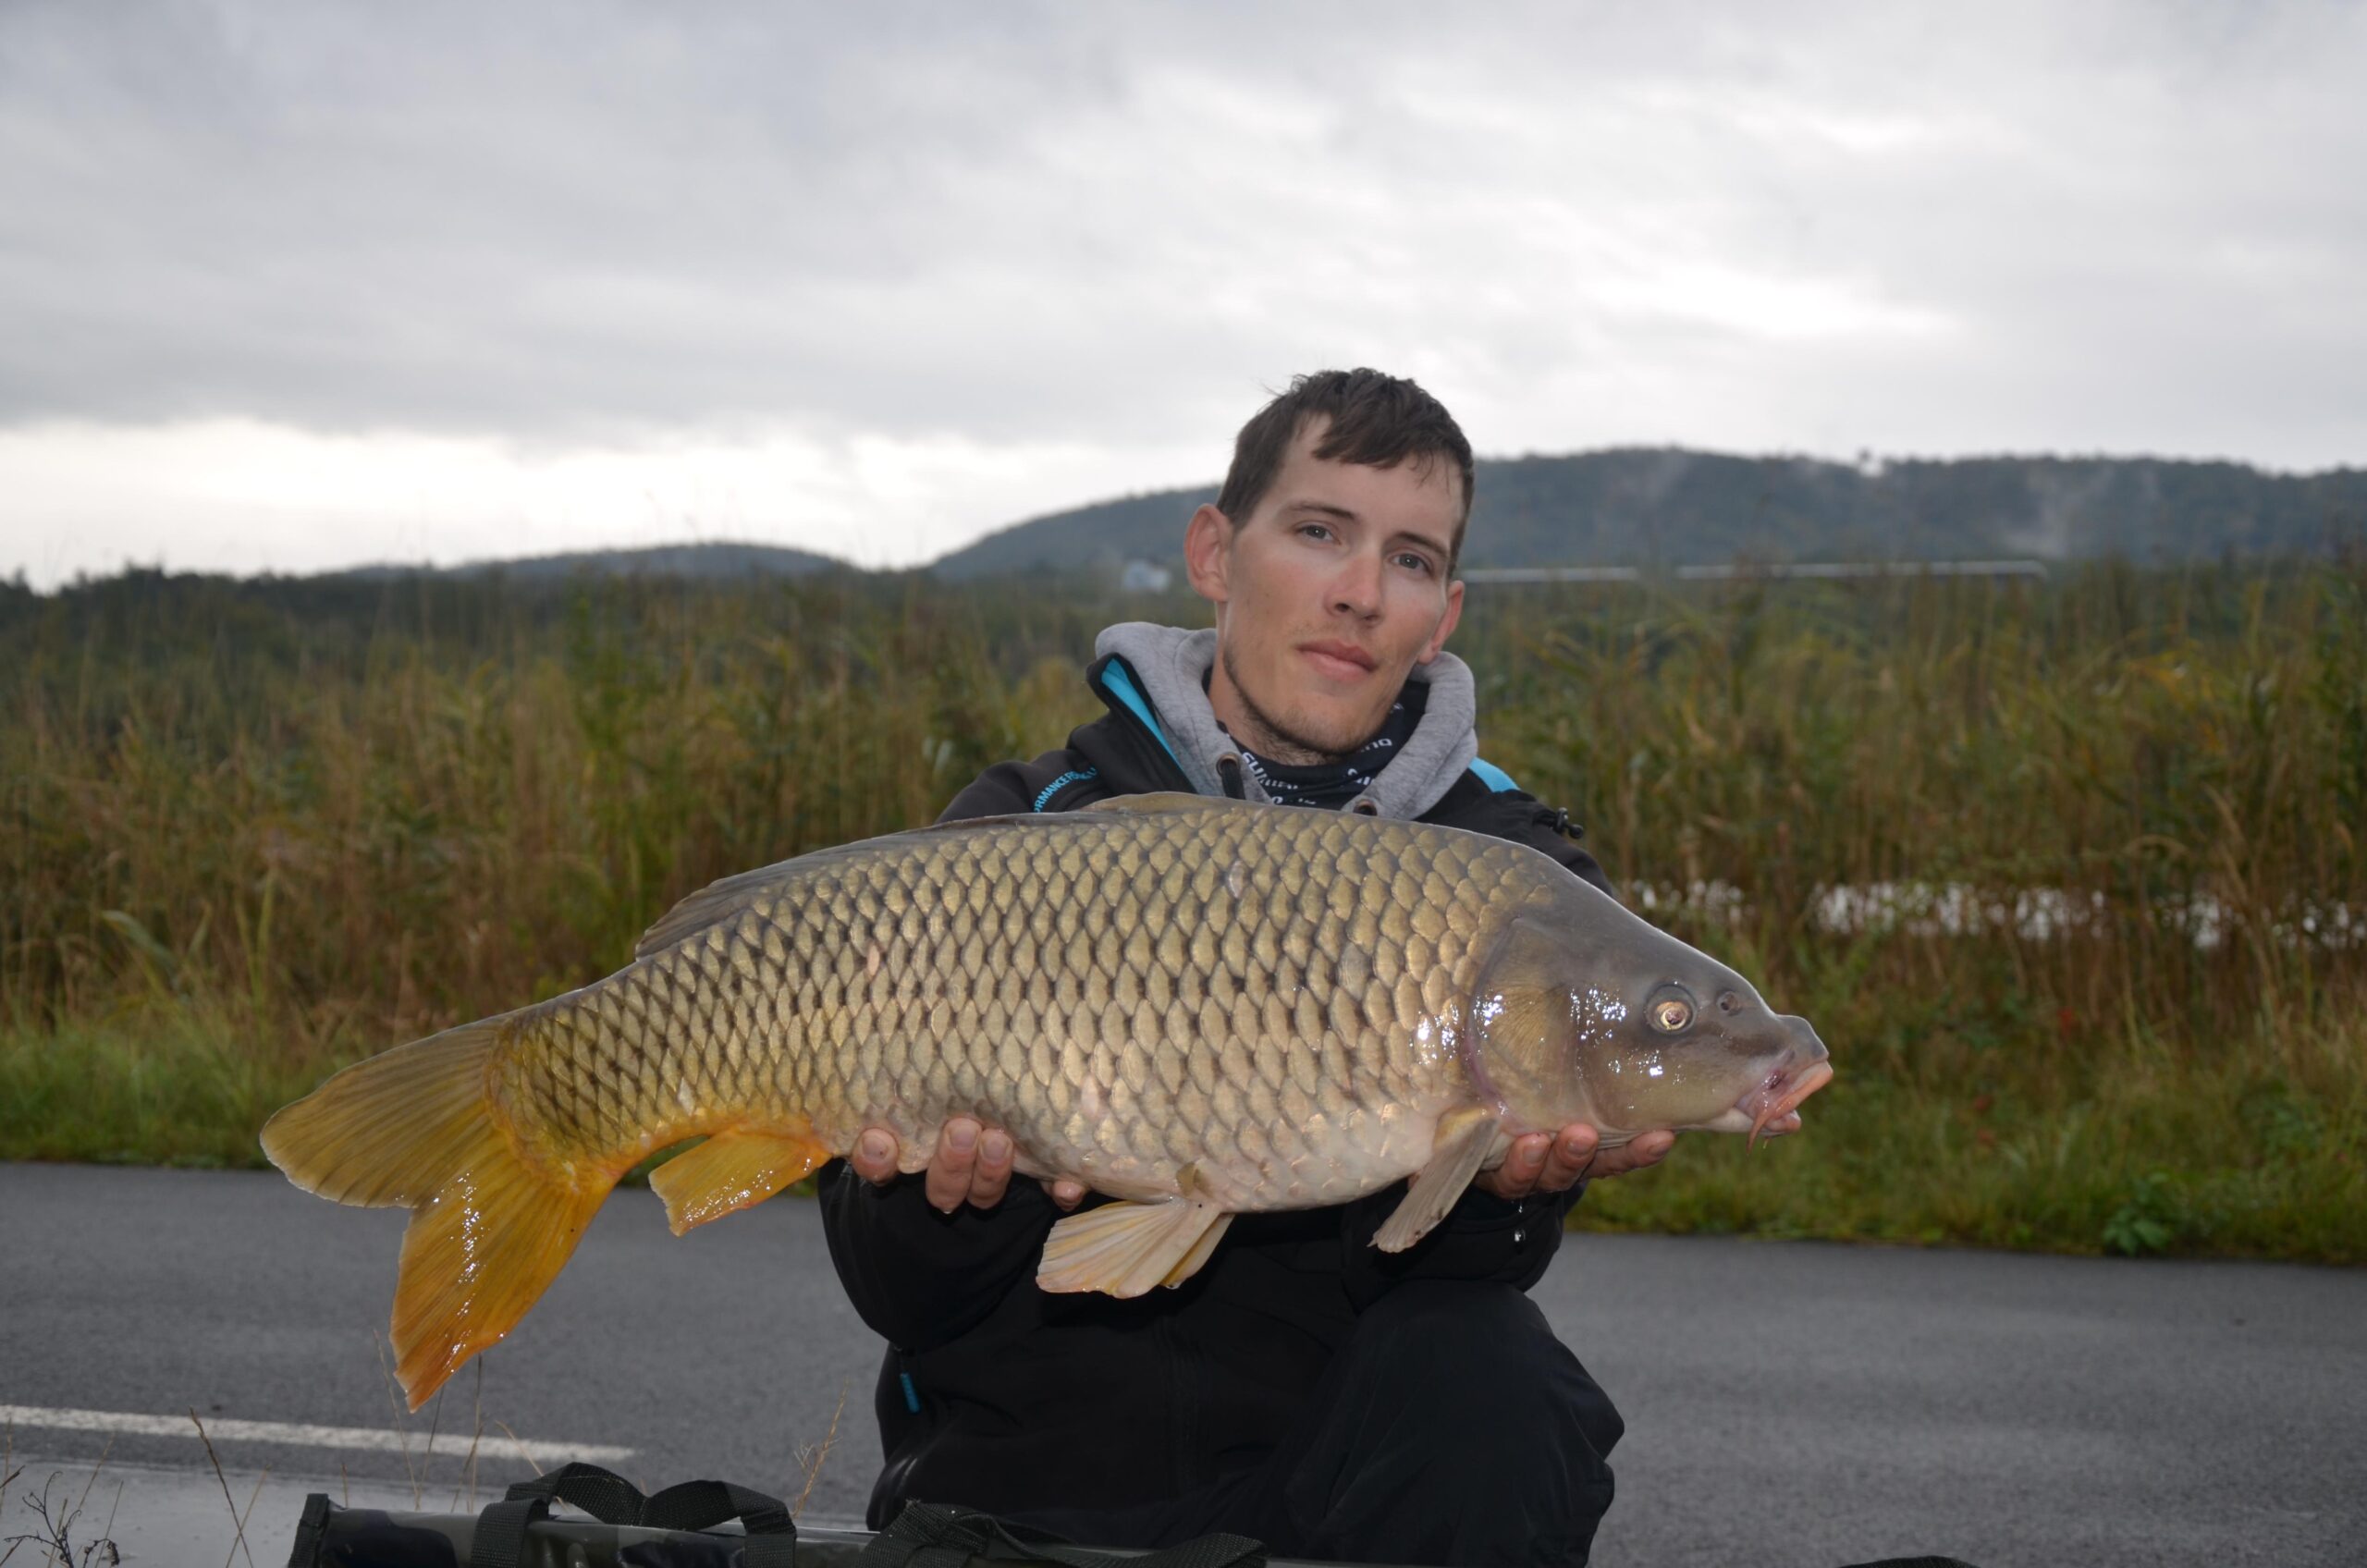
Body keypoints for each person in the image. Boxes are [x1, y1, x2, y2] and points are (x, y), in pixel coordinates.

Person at [816, 369, 1676, 1568]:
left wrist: (1499, 1192)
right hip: (1026, 1496)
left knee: (1500, 1378)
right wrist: (957, 1200)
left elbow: (1466, 1278)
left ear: (1444, 613)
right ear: (1216, 555)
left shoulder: (1512, 876)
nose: (1361, 592)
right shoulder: (1032, 832)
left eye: (1411, 559)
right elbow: (898, 1292)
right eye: (1320, 532)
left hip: (1327, 1497)